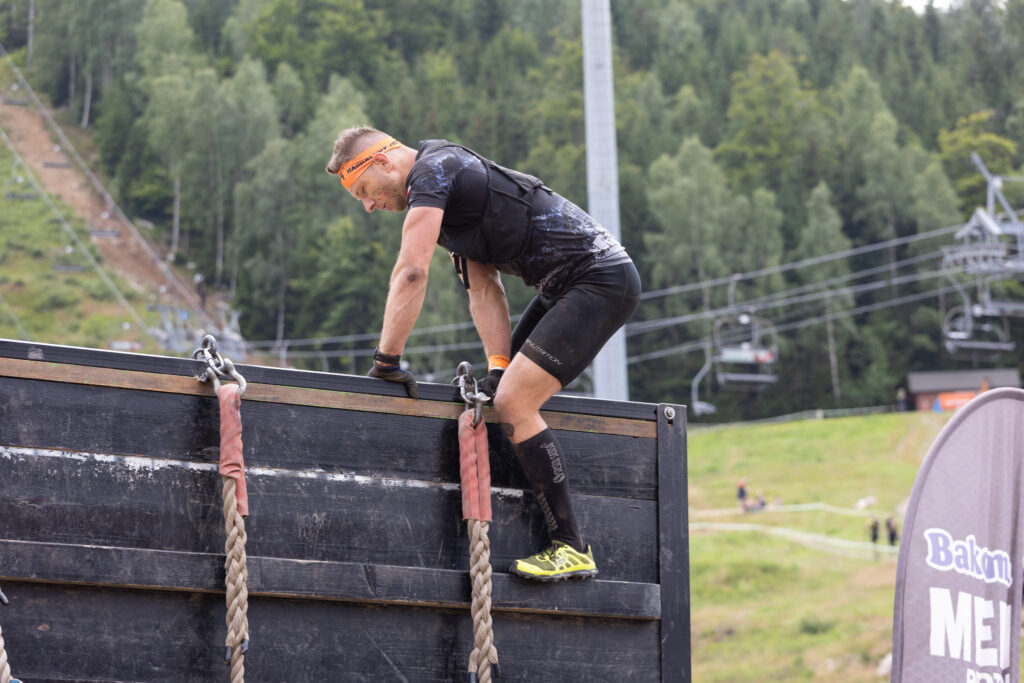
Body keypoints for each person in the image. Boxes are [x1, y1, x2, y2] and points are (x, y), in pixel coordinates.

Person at [325, 127, 641, 582]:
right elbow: (484, 288)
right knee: (503, 387)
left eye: (364, 192)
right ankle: (563, 534)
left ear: (383, 162)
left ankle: (572, 547)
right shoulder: (448, 195)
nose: (369, 206)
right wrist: (498, 365)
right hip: (567, 286)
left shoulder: (434, 174)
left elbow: (411, 273)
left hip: (599, 280)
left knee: (515, 401)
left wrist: (386, 362)